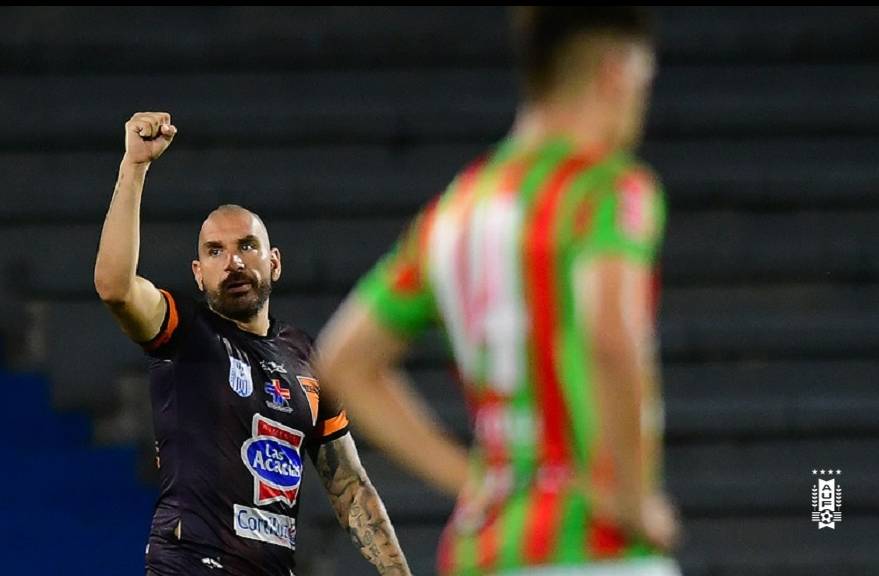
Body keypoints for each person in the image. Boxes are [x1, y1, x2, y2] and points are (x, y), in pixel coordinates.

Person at [316, 7, 680, 576]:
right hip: (590, 548)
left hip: (483, 552)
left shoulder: (455, 211)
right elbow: (612, 337)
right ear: (617, 72)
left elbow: (342, 361)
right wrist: (634, 500)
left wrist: (474, 482)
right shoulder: (606, 190)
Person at [94, 111, 411, 576]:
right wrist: (134, 167)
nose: (234, 263)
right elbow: (114, 287)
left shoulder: (307, 358)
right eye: (215, 251)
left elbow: (349, 485)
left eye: (246, 246)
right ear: (198, 273)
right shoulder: (186, 333)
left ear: (274, 262)